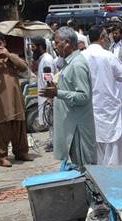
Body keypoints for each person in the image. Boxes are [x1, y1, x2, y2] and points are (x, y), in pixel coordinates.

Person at [40, 27, 97, 170]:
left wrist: (58, 93)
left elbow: (84, 96)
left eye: (57, 43)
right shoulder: (69, 63)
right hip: (71, 127)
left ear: (67, 43)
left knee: (85, 170)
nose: (55, 46)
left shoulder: (77, 64)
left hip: (78, 129)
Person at [0, 32, 30, 167]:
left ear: (4, 43)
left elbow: (23, 67)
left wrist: (8, 55)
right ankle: (2, 156)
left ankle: (21, 152)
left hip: (15, 97)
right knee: (1, 127)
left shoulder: (12, 56)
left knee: (18, 125)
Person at [83, 26, 122, 166]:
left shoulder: (81, 57)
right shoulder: (108, 56)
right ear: (102, 38)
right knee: (113, 148)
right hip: (109, 108)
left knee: (96, 147)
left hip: (91, 107)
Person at [31, 36, 55, 151]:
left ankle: (54, 142)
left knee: (52, 120)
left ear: (40, 47)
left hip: (48, 96)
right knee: (49, 121)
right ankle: (52, 141)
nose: (32, 49)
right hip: (45, 95)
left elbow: (49, 79)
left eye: (33, 47)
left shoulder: (47, 60)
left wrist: (50, 98)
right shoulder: (43, 59)